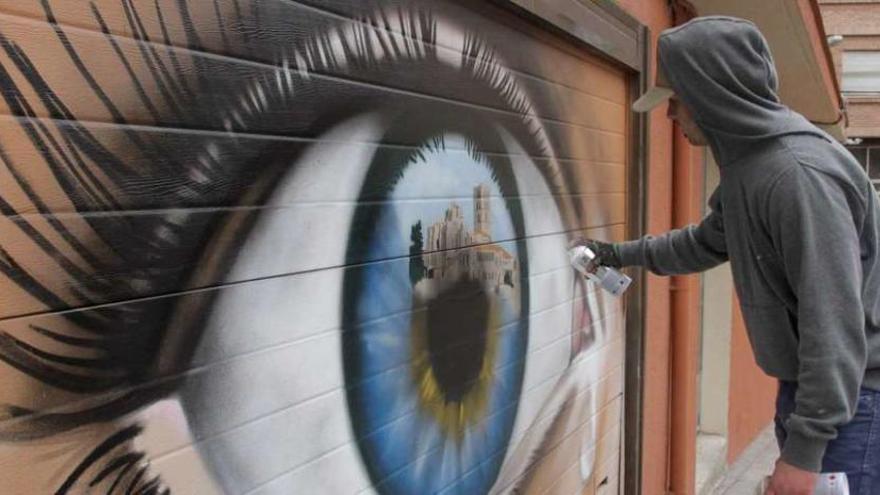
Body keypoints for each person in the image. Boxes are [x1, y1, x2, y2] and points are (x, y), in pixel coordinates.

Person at [577, 16, 880, 495]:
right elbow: (706, 241)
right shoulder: (752, 170)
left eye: (676, 101)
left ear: (712, 97)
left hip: (851, 408)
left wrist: (805, 452)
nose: (670, 115)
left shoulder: (797, 177)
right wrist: (618, 253)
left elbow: (833, 321)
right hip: (818, 397)